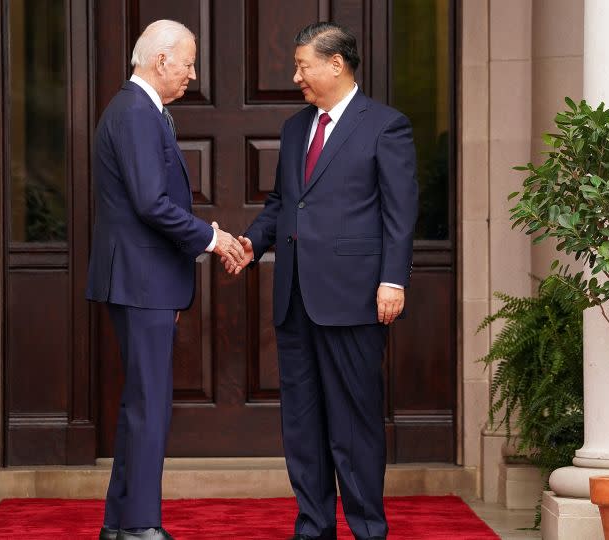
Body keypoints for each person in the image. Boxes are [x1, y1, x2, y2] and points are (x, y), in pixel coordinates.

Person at [226, 21, 418, 540]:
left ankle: (367, 530)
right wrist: (251, 243)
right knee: (303, 427)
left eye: (302, 66)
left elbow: (400, 214)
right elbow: (281, 204)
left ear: (337, 64)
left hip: (355, 298)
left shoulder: (386, 126)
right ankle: (313, 527)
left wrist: (393, 281)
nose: (296, 77)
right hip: (294, 299)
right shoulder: (294, 129)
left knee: (354, 426)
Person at [85, 19, 244, 540]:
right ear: (161, 61)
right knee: (148, 406)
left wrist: (203, 230)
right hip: (141, 281)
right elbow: (151, 204)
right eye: (189, 63)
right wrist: (211, 238)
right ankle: (141, 526)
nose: (193, 74)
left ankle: (118, 523)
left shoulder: (142, 111)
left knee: (142, 401)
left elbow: (152, 202)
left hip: (144, 280)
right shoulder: (135, 113)